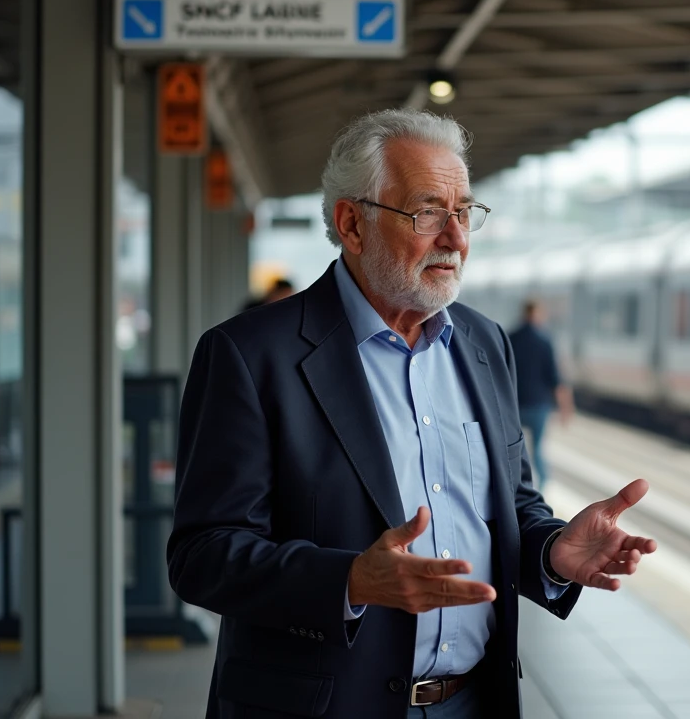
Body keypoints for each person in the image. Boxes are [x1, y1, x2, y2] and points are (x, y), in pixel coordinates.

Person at [168, 109, 657, 719]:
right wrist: (349, 581)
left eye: (464, 212)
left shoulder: (485, 345)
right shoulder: (248, 354)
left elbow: (510, 508)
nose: (455, 239)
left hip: (475, 702)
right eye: (428, 213)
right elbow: (202, 556)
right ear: (352, 224)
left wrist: (551, 550)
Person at [508, 299, 573, 487]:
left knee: (514, 448)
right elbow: (555, 377)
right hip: (539, 405)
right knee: (537, 448)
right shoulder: (545, 341)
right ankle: (542, 487)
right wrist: (565, 407)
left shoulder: (510, 337)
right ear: (538, 314)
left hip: (515, 404)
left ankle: (516, 485)